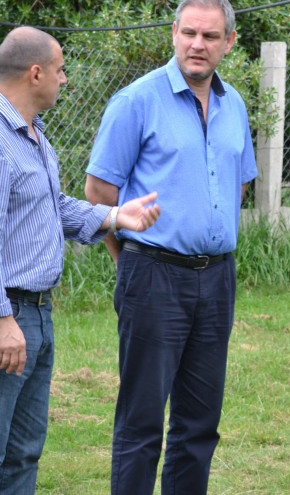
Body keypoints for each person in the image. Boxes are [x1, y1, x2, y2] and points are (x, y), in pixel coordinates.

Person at [84, 0, 257, 495]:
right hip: (153, 274)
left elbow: (237, 181)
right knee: (141, 423)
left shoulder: (235, 105)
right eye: (188, 33)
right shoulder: (137, 101)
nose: (197, 44)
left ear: (229, 42)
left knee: (200, 423)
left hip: (217, 277)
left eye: (209, 36)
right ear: (173, 35)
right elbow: (99, 192)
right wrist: (131, 259)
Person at [0, 26, 161, 494]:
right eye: (60, 70)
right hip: (11, 315)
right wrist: (3, 319)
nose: (64, 79)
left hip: (39, 315)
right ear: (35, 73)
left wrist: (115, 215)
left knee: (23, 450)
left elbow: (54, 208)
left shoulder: (34, 136)